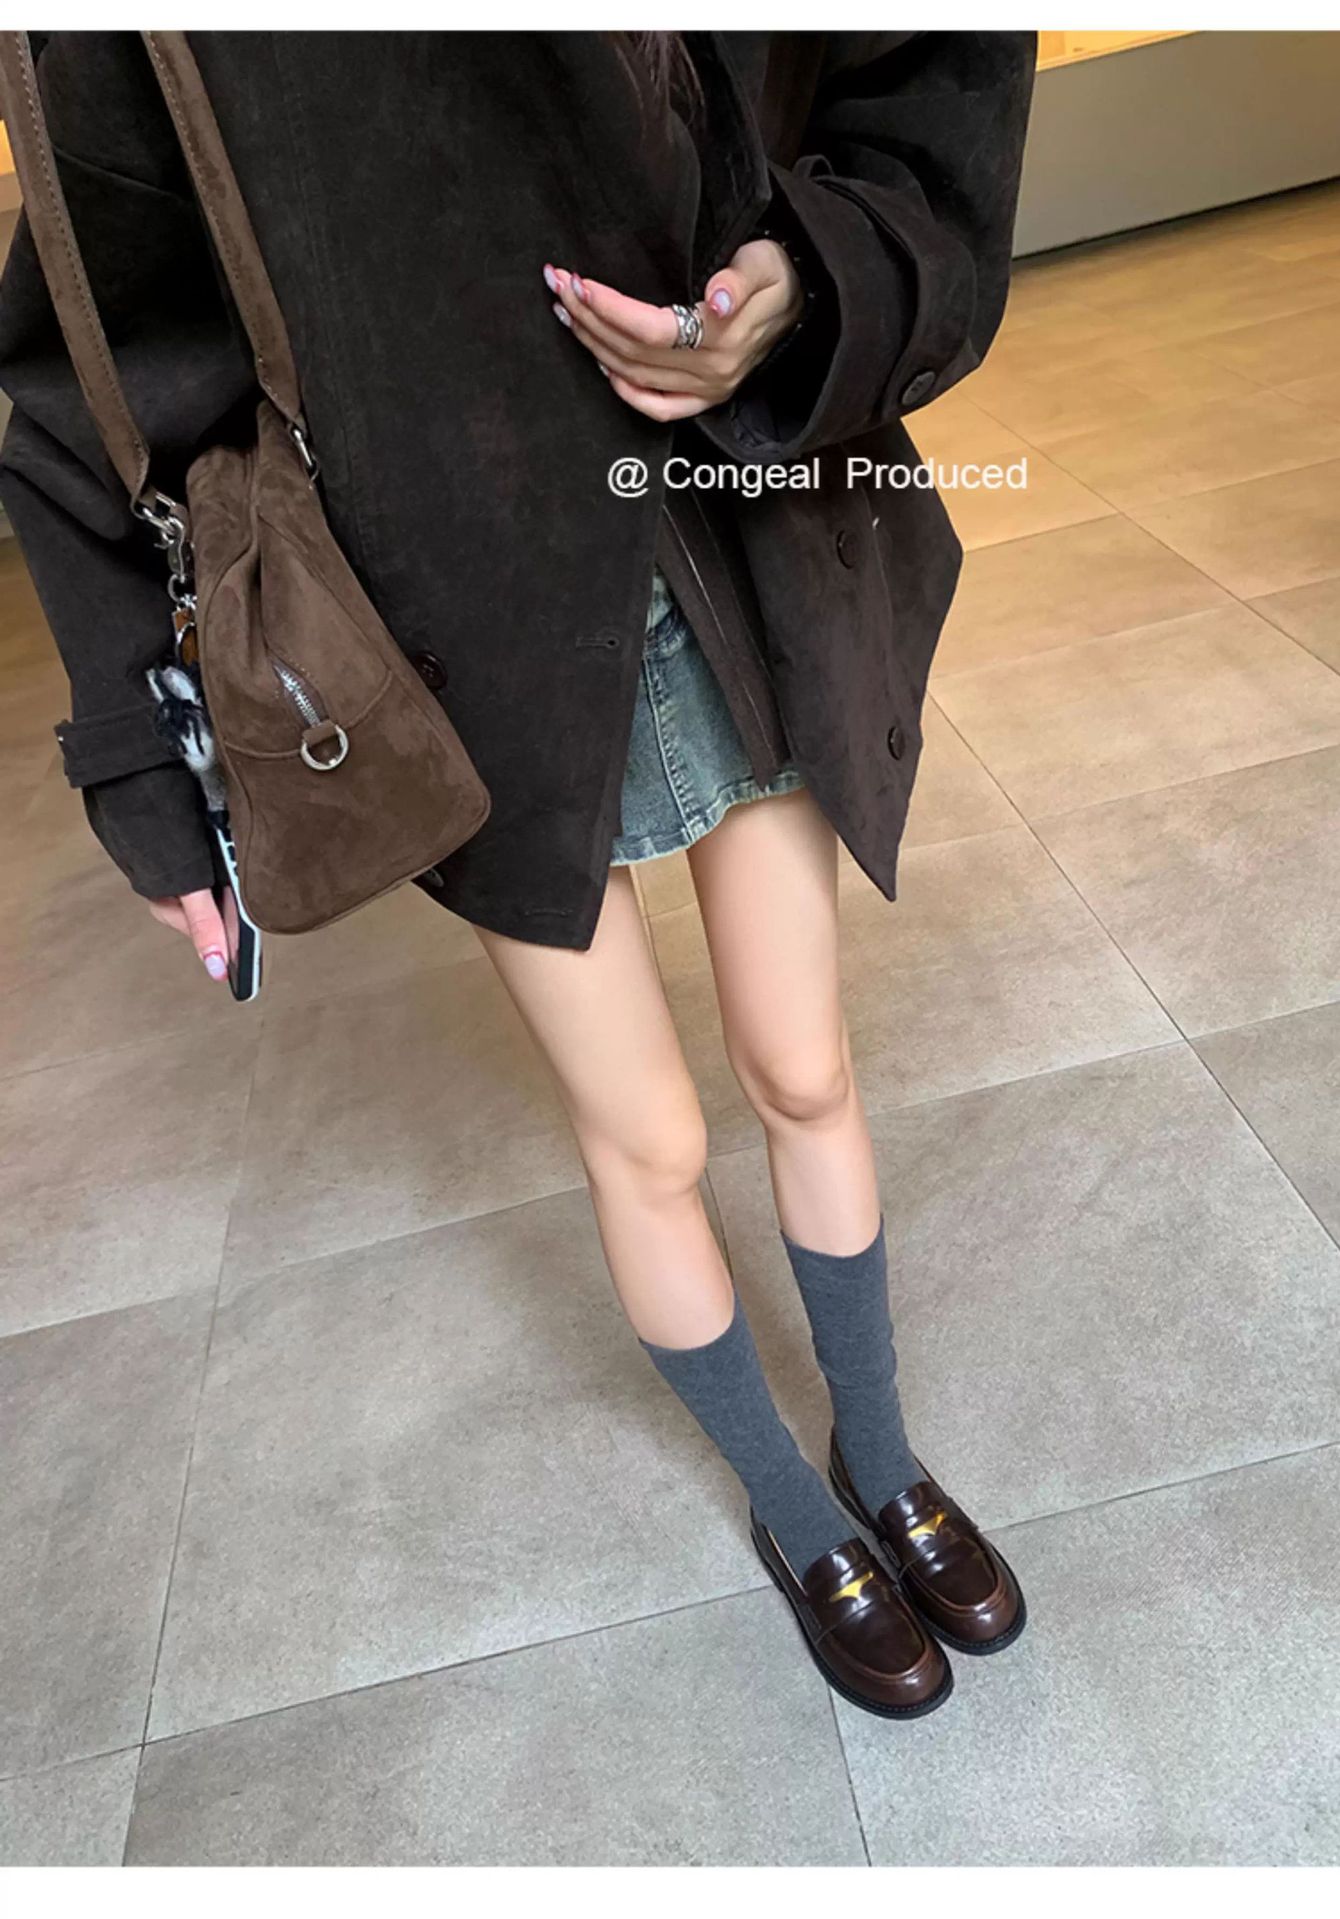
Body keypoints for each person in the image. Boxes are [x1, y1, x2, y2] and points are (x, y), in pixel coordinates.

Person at [0, 29, 1036, 1719]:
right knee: (647, 1138)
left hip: (732, 509)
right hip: (454, 603)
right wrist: (136, 751)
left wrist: (811, 271)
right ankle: (797, 1515)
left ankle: (886, 1455)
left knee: (806, 1064)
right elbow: (97, 335)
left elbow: (921, 66)